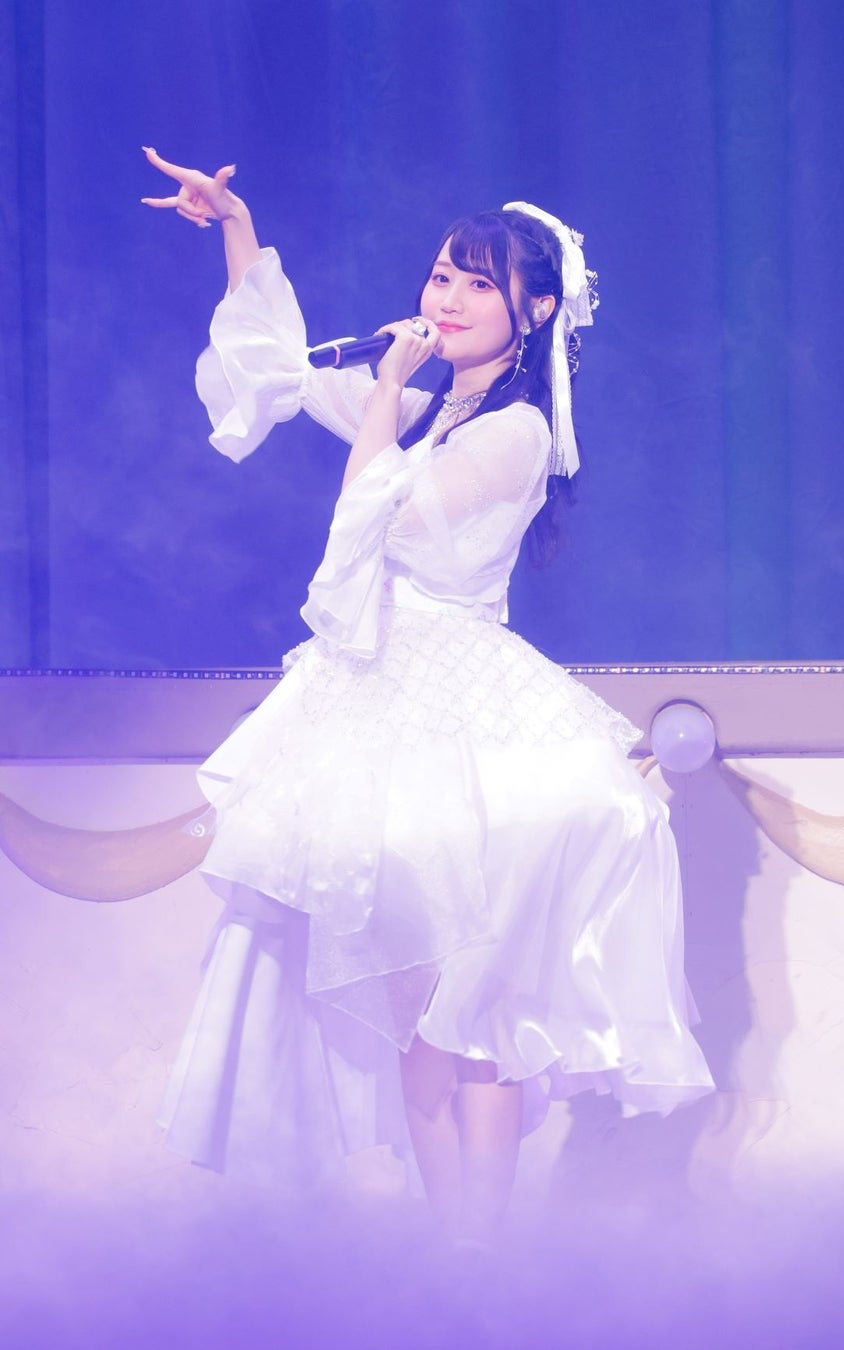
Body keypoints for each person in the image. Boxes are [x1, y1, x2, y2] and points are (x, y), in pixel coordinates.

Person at [141, 149, 714, 1245]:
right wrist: (235, 226)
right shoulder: (421, 406)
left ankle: (482, 1254)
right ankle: (452, 1254)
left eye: (477, 283)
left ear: (532, 311)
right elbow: (278, 372)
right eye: (441, 275)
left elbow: (378, 519)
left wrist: (383, 402)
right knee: (413, 1009)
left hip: (466, 713)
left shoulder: (515, 432)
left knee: (475, 1008)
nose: (444, 298)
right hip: (376, 705)